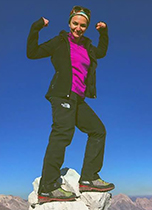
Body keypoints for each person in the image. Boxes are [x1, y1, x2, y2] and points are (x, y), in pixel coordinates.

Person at [27, 5, 115, 204]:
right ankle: (48, 187)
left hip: (78, 99)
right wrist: (36, 27)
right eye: (75, 23)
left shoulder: (87, 46)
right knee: (63, 133)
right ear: (69, 23)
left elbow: (101, 52)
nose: (78, 28)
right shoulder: (60, 42)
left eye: (83, 25)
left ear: (87, 27)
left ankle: (89, 178)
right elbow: (32, 52)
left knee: (98, 130)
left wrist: (105, 32)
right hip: (62, 95)